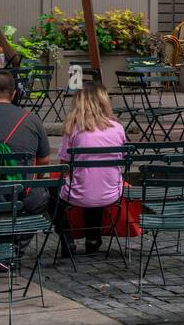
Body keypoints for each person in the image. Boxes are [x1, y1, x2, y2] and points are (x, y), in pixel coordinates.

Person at [53, 84, 129, 258]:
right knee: (96, 181)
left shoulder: (73, 128)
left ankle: (66, 236)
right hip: (112, 192)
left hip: (78, 193)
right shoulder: (117, 128)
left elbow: (64, 163)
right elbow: (122, 156)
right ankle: (93, 239)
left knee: (55, 189)